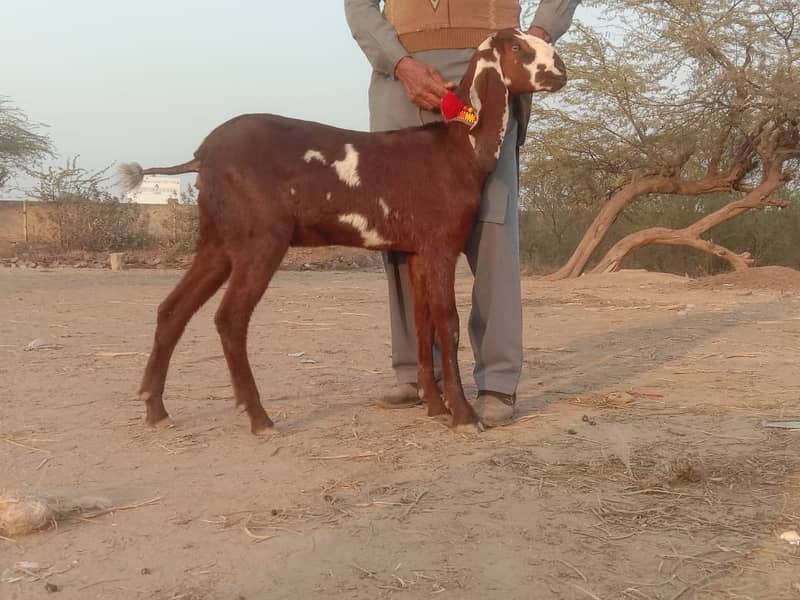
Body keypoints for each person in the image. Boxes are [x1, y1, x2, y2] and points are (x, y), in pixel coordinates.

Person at [344, 0, 579, 426]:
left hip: (489, 74)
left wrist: (539, 35)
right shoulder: (400, 70)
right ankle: (419, 373)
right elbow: (358, 5)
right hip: (400, 81)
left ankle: (497, 381)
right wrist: (399, 63)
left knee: (491, 229)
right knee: (403, 234)